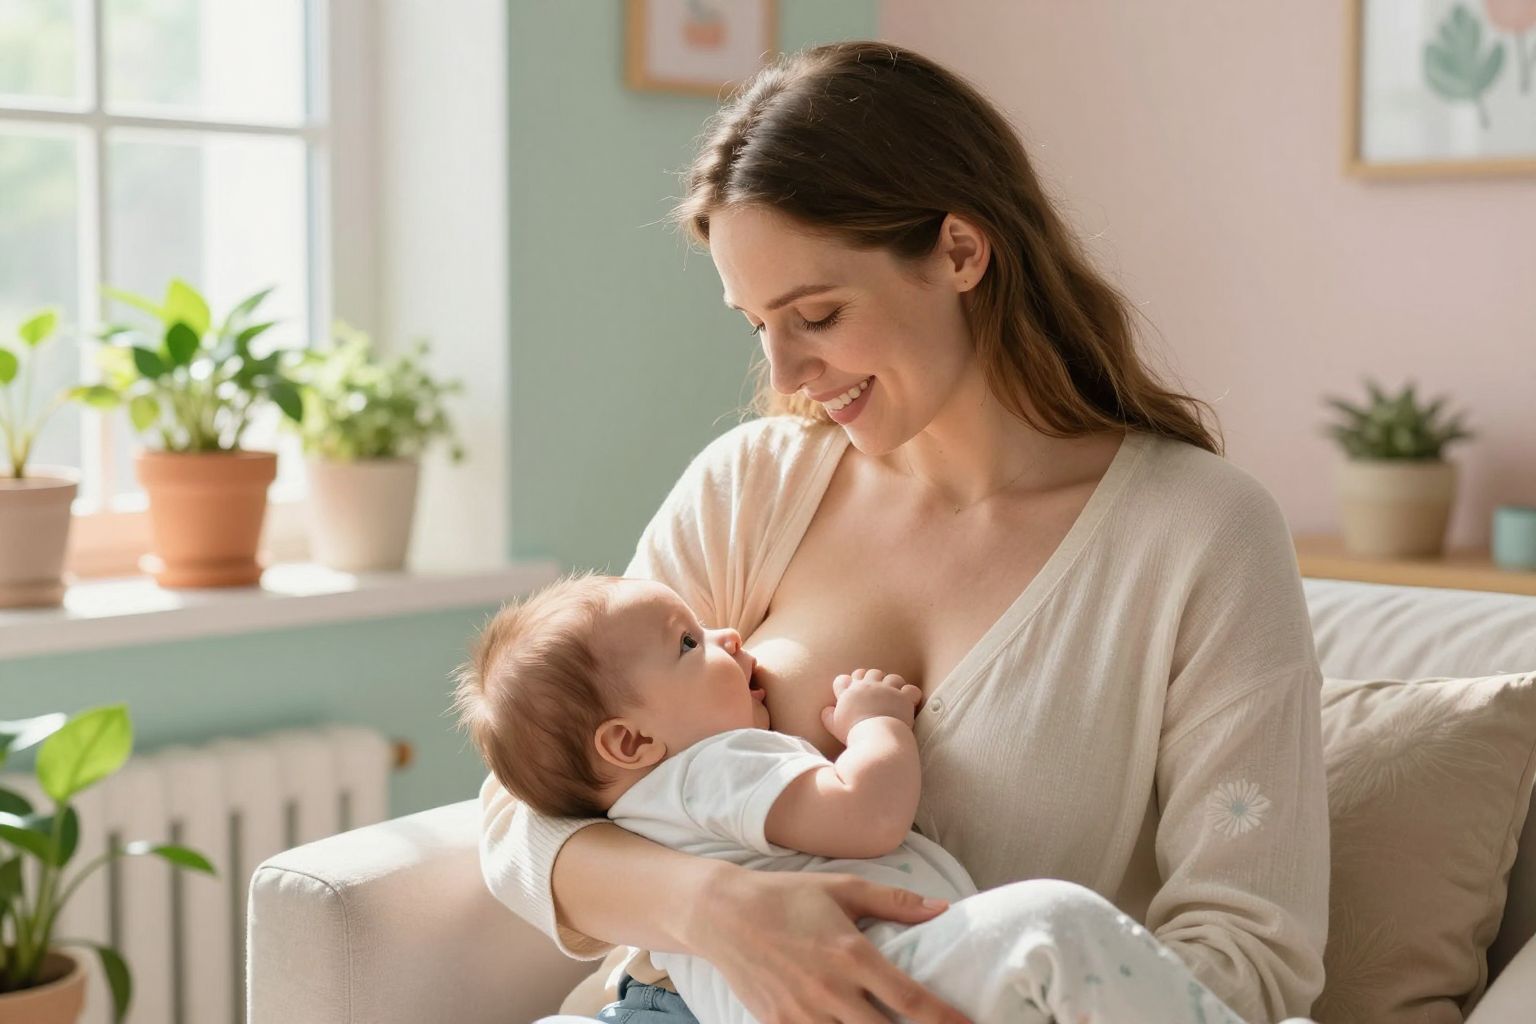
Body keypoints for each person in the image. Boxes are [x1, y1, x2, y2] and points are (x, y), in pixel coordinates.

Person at [479, 39, 1329, 1024]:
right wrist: (723, 911)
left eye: (820, 314)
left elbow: (1253, 961)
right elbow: (522, 814)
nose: (788, 373)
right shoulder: (749, 486)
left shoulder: (1199, 535)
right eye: (758, 324)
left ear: (962, 251)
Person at [455, 570, 1257, 1024]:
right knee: (1053, 924)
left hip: (831, 997)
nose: (730, 636)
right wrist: (876, 727)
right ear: (629, 743)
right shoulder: (713, 767)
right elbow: (868, 815)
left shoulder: (648, 805)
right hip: (870, 975)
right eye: (690, 643)